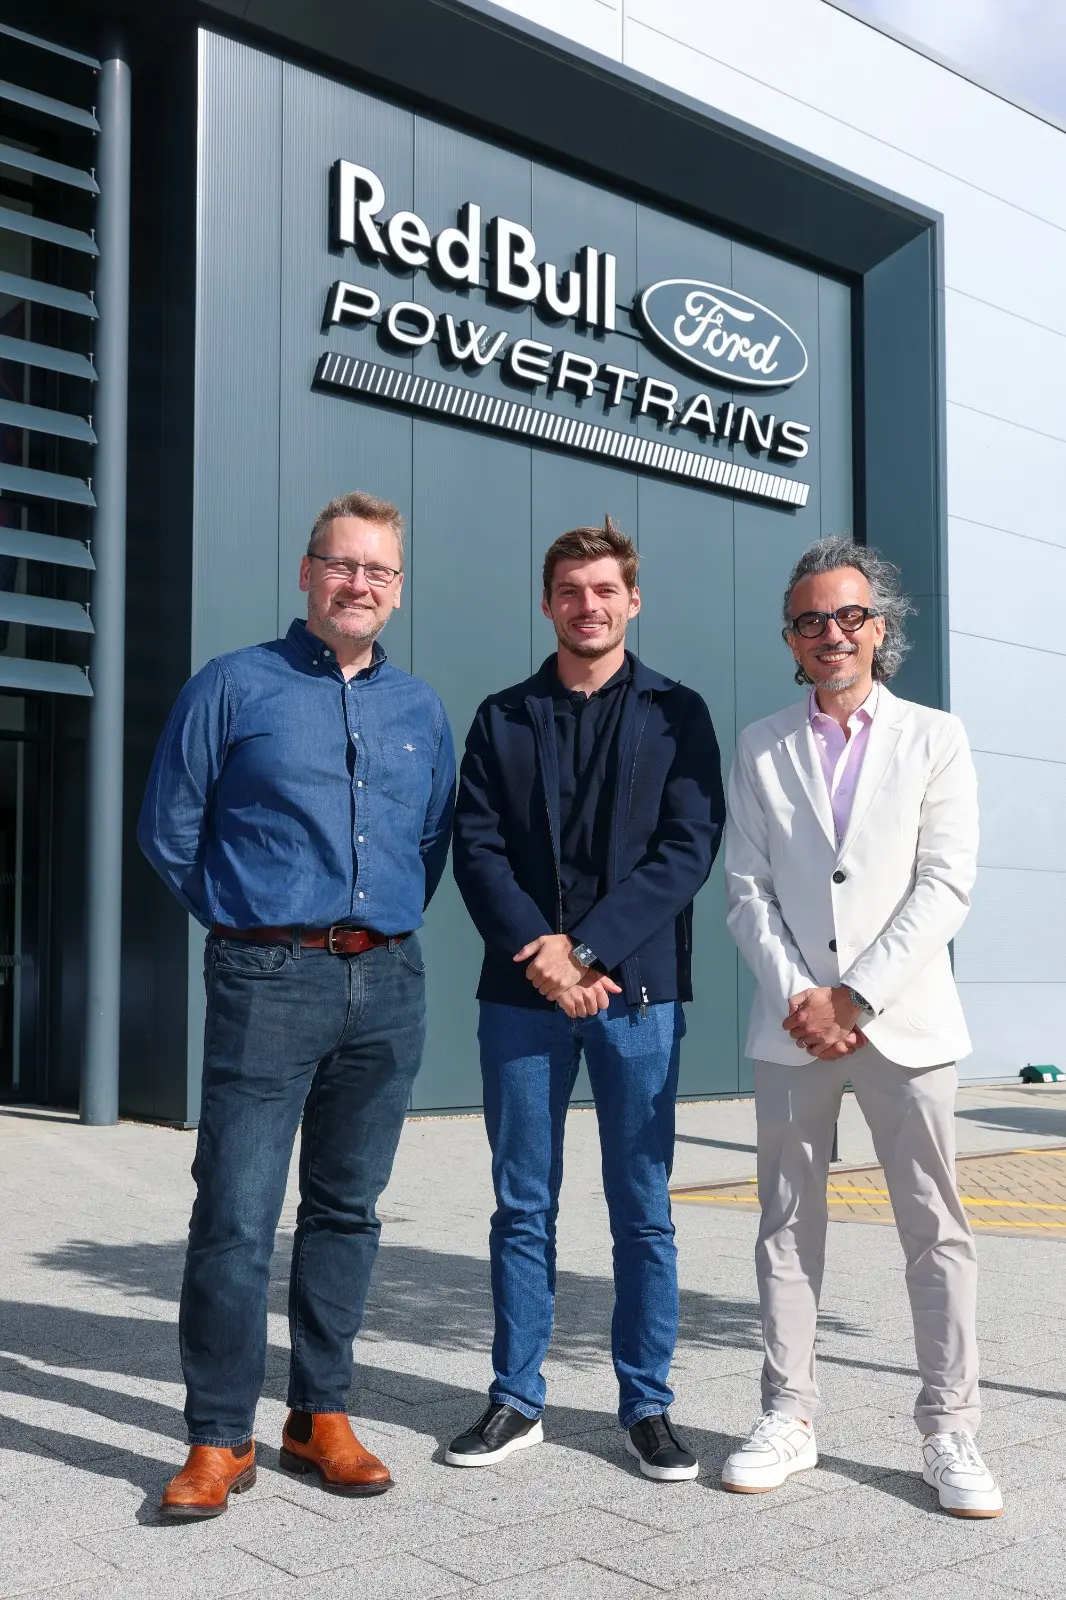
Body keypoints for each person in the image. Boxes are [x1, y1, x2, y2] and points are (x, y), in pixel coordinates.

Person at [138, 491, 455, 1518]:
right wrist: (248, 923)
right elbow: (169, 829)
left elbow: (431, 842)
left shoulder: (420, 710)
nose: (359, 583)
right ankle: (218, 1435)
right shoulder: (233, 685)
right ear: (308, 573)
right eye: (342, 564)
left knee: (346, 1210)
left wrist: (374, 929)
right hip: (266, 980)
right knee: (235, 1213)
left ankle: (320, 1416)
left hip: (388, 983)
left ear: (398, 590)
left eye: (378, 570)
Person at [721, 536, 1002, 1518]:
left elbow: (945, 883)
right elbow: (745, 889)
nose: (829, 634)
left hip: (905, 1023)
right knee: (786, 1225)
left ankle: (949, 1427)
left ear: (880, 628)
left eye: (848, 616)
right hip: (792, 1026)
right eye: (810, 621)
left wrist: (857, 996)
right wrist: (803, 994)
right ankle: (787, 1414)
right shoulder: (759, 743)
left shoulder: (936, 737)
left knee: (934, 1228)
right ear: (790, 639)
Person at [448, 515, 725, 1481]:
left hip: (637, 994)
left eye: (605, 590)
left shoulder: (678, 713)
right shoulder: (503, 716)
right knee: (522, 1205)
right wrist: (544, 954)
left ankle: (647, 1404)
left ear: (632, 600)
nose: (588, 605)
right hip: (522, 995)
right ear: (547, 604)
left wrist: (589, 950)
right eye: (570, 591)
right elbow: (476, 846)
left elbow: (686, 851)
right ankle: (516, 1399)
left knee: (642, 1208)